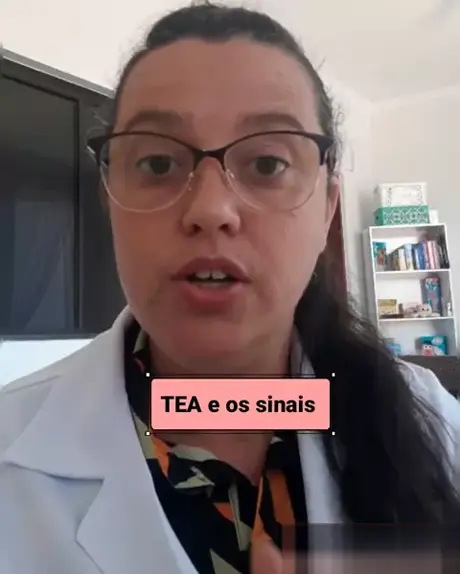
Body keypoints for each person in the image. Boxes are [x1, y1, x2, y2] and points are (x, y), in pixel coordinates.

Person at [1, 2, 460, 573]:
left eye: (267, 164)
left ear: (328, 208)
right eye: (158, 164)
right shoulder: (11, 452)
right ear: (109, 200)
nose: (211, 209)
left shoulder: (432, 421)